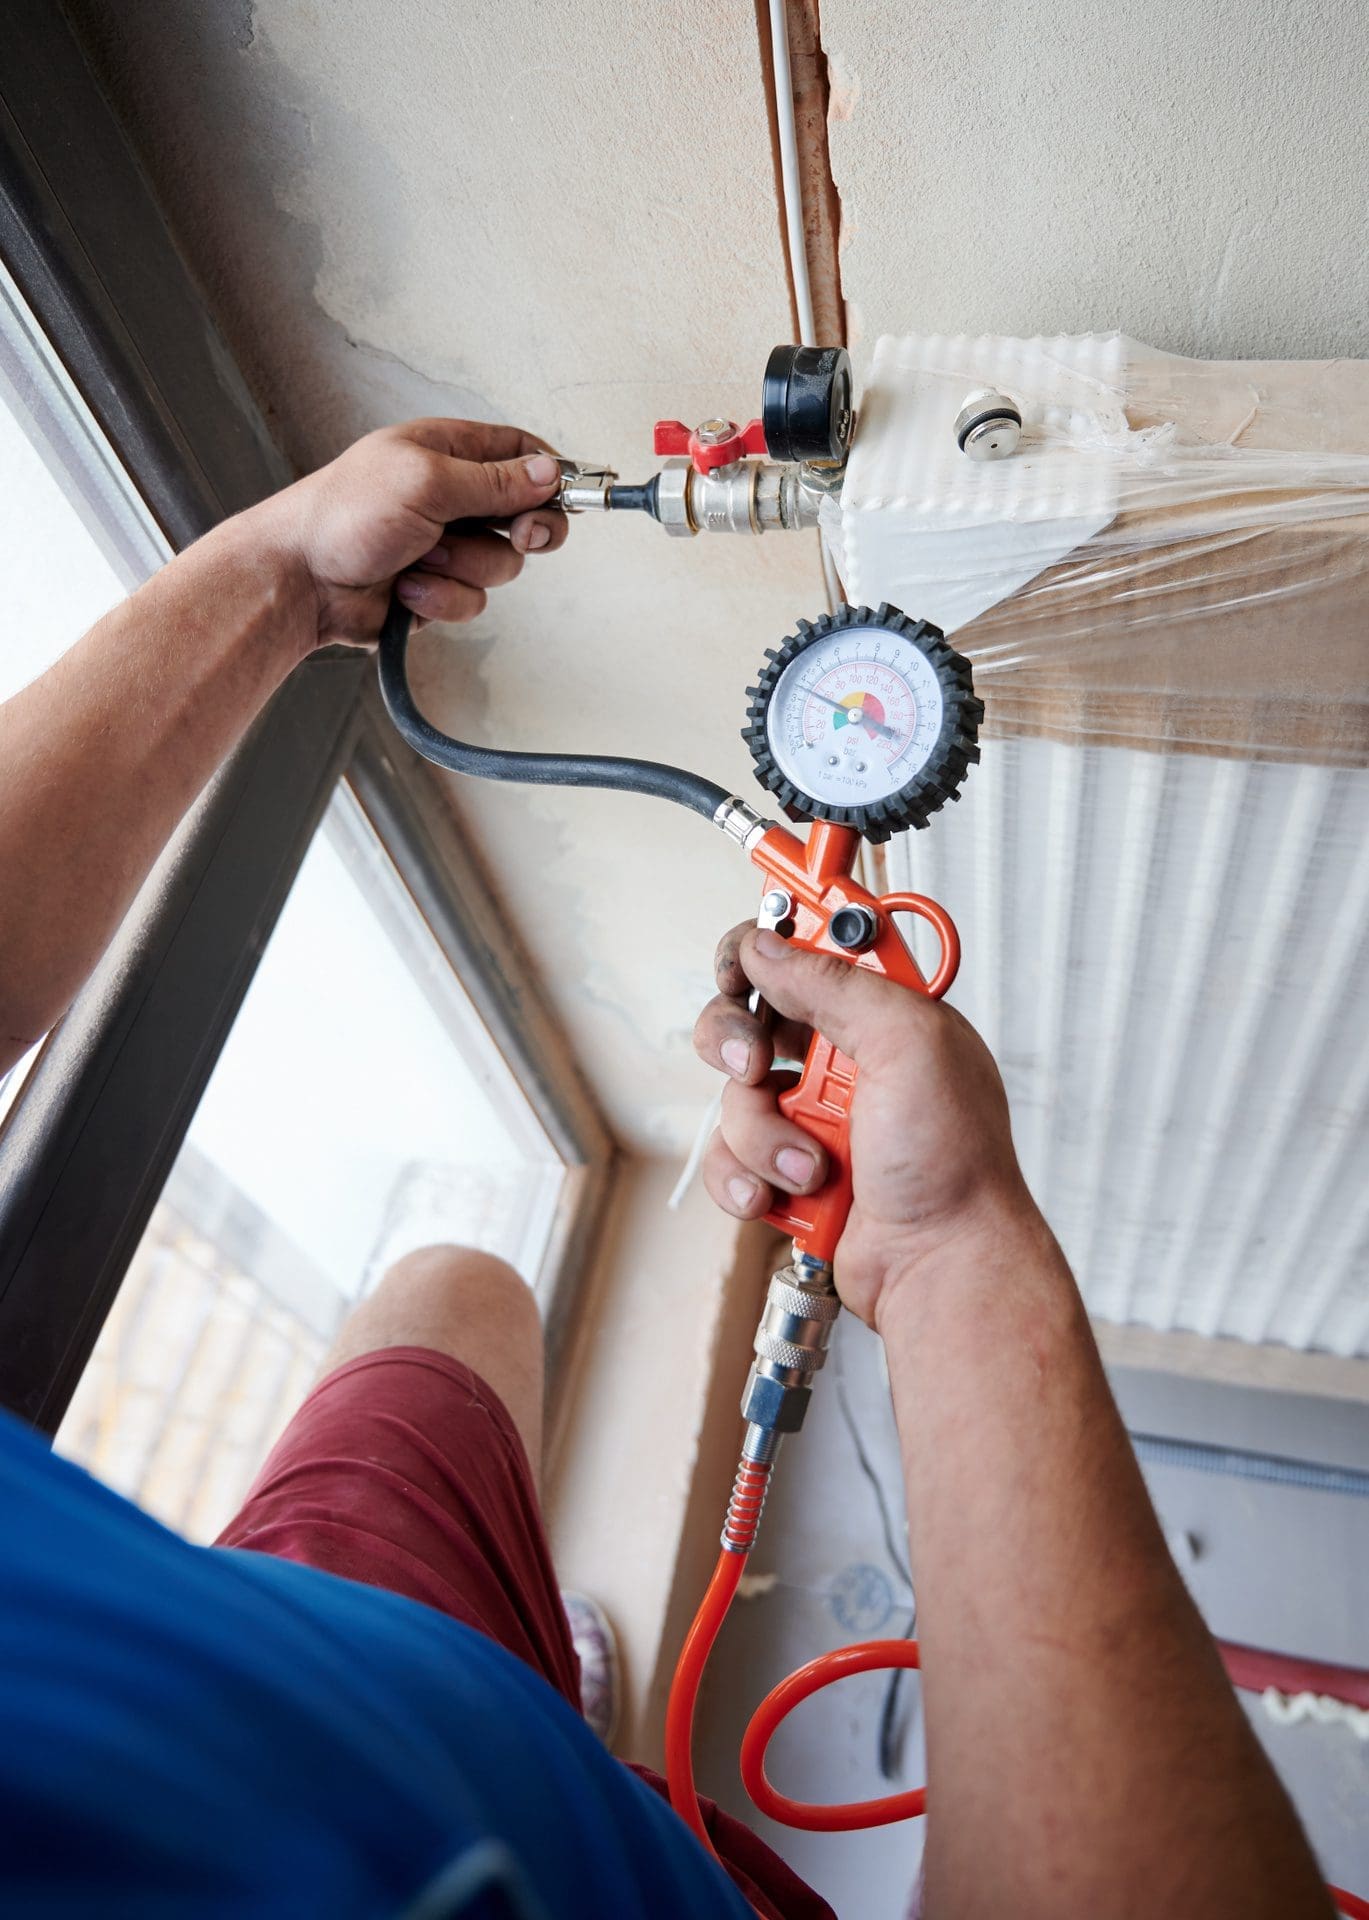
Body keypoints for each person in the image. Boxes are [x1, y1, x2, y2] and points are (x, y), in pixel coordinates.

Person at [0, 419, 1334, 1919]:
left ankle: (531, 1671)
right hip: (569, 1847)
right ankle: (547, 1701)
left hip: (255, 1637)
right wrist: (944, 1246)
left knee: (448, 1287)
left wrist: (292, 569)